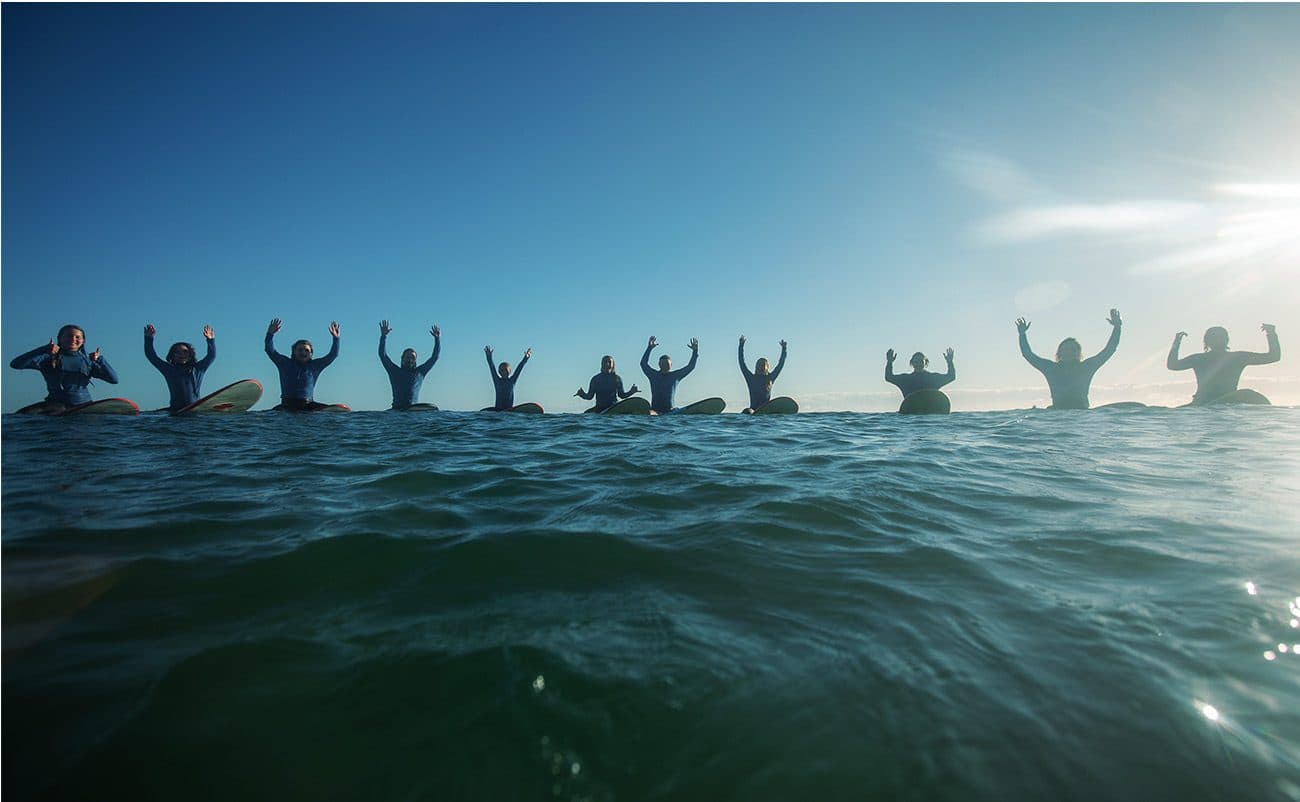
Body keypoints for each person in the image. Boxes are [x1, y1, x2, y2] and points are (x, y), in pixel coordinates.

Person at [1016, 308, 1122, 409]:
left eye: (1073, 349)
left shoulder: (1087, 367)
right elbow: (1028, 355)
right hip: (1057, 413)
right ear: (1060, 353)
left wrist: (1117, 327)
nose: (1070, 352)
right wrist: (1022, 335)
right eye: (1066, 349)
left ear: (1079, 352)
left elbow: (1109, 350)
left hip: (1081, 413)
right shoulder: (1050, 368)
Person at [10, 324, 120, 413]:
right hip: (56, 405)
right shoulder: (47, 358)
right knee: (22, 414)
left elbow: (114, 380)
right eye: (68, 336)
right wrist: (43, 349)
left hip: (84, 406)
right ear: (60, 339)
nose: (73, 339)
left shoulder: (88, 362)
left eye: (77, 337)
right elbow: (15, 364)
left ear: (83, 341)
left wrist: (100, 360)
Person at [1167, 324, 1280, 405]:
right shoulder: (1199, 358)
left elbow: (1273, 357)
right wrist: (1176, 342)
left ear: (1226, 340)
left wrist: (1271, 333)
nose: (1217, 340)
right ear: (1207, 341)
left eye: (1220, 337)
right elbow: (1172, 365)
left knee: (1249, 394)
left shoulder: (1238, 357)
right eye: (1214, 337)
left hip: (1227, 402)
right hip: (1202, 403)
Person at [265, 318, 341, 411]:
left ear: (311, 353)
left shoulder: (315, 366)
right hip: (287, 406)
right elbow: (270, 350)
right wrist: (270, 334)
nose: (303, 352)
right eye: (300, 350)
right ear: (294, 352)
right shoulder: (284, 363)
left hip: (308, 406)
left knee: (334, 413)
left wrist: (336, 339)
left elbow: (332, 355)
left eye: (307, 350)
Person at [144, 324, 216, 411]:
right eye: (177, 352)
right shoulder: (168, 370)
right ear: (172, 355)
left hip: (194, 411)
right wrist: (148, 338)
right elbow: (151, 356)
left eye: (185, 351)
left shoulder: (198, 369)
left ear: (190, 355)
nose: (181, 354)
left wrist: (210, 340)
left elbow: (211, 356)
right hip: (175, 411)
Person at [379, 320, 440, 409]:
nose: (410, 359)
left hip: (413, 410)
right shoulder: (394, 371)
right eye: (407, 357)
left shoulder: (420, 372)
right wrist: (383, 336)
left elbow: (434, 357)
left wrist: (437, 339)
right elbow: (382, 355)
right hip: (397, 410)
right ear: (402, 359)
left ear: (415, 361)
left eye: (412, 358)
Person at [641, 335, 699, 414]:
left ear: (671, 365)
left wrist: (695, 352)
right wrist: (649, 348)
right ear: (659, 364)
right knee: (650, 413)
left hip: (671, 412)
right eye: (662, 363)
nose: (664, 365)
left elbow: (690, 367)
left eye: (667, 364)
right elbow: (643, 364)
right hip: (655, 411)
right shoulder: (653, 375)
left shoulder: (675, 376)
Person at [738, 335, 787, 413]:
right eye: (759, 366)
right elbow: (742, 363)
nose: (760, 368)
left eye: (762, 366)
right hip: (753, 410)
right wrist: (741, 345)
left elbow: (780, 364)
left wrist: (784, 349)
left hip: (766, 410)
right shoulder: (750, 378)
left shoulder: (770, 378)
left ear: (767, 367)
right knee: (747, 411)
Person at [575, 355, 639, 412]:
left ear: (613, 364)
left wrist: (631, 392)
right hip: (599, 408)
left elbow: (621, 395)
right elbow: (590, 396)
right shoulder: (595, 379)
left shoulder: (617, 379)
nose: (607, 364)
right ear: (602, 364)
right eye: (605, 362)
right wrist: (582, 394)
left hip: (613, 408)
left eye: (609, 362)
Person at [885, 348, 955, 398]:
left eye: (921, 361)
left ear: (926, 363)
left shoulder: (933, 378)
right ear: (911, 363)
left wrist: (950, 362)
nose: (918, 363)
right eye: (916, 362)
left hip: (929, 413)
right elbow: (889, 377)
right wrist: (889, 362)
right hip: (910, 413)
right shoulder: (905, 379)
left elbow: (951, 377)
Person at [485, 345, 532, 410]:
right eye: (501, 370)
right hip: (498, 409)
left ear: (510, 371)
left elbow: (519, 368)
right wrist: (489, 356)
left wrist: (526, 358)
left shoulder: (512, 380)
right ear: (498, 371)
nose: (503, 371)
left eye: (505, 370)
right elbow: (491, 366)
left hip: (509, 410)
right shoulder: (497, 380)